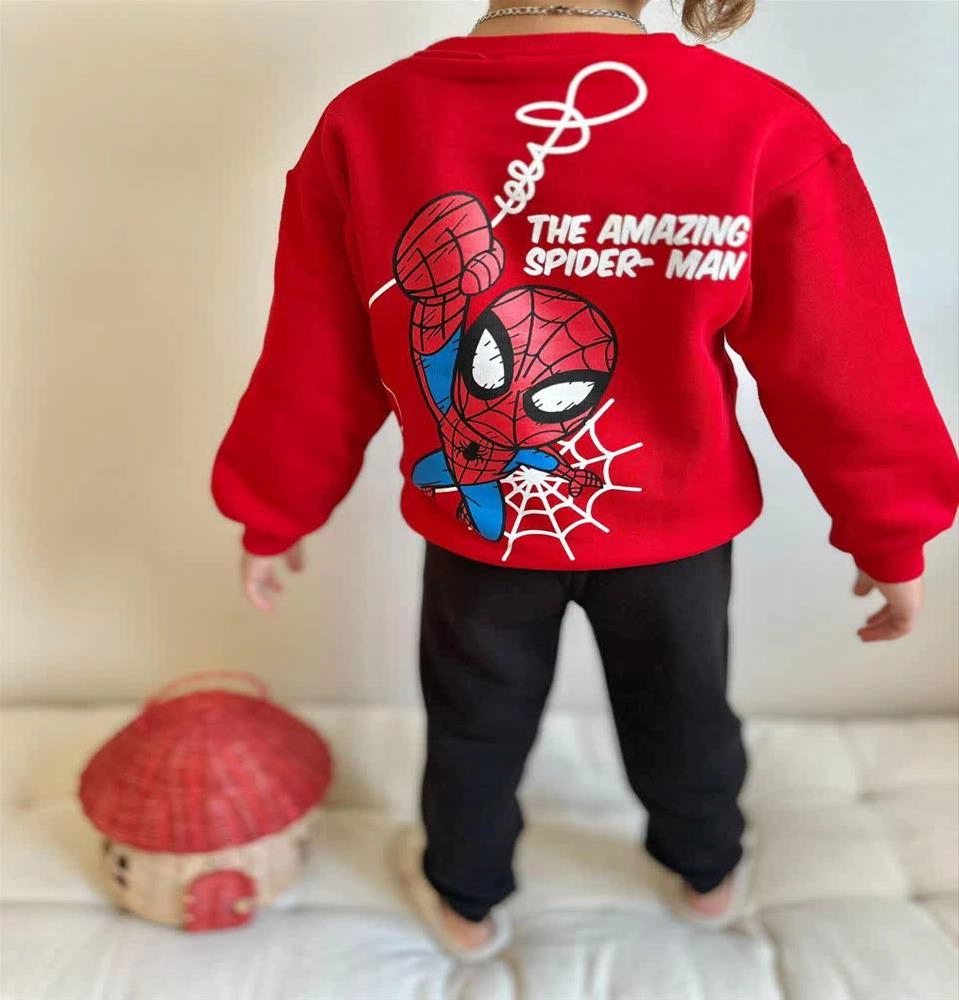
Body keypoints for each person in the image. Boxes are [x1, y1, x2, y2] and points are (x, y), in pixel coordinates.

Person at [209, 0, 959, 958]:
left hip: (478, 537)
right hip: (674, 531)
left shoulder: (371, 121)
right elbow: (843, 358)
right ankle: (706, 870)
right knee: (683, 709)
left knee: (474, 724)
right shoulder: (758, 123)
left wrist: (275, 509)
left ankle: (464, 898)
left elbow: (316, 357)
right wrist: (889, 527)